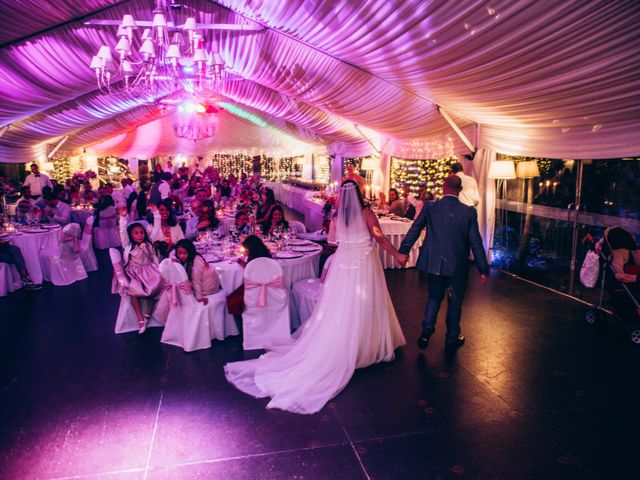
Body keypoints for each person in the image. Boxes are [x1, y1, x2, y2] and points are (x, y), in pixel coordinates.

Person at [225, 180, 406, 414]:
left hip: (344, 263)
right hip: (363, 263)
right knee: (365, 302)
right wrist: (397, 254)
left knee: (342, 305)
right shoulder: (366, 212)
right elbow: (378, 236)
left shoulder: (339, 217)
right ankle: (365, 344)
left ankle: (351, 342)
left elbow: (333, 242)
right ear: (359, 194)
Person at [398, 175, 489, 350]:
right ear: (460, 190)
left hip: (434, 263)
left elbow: (415, 228)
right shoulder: (469, 212)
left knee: (434, 296)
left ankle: (426, 331)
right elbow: (475, 241)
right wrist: (483, 268)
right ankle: (451, 338)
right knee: (454, 301)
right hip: (457, 265)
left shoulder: (431, 207)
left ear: (443, 187)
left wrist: (403, 251)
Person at [118, 207, 163, 333]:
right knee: (133, 290)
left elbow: (156, 228)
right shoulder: (128, 245)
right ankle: (140, 319)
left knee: (157, 284)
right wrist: (122, 218)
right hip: (134, 272)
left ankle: (148, 312)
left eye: (141, 233)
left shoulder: (149, 243)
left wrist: (156, 213)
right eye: (136, 233)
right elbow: (122, 232)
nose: (139, 235)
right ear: (131, 235)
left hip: (149, 269)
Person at [173, 239, 221, 303]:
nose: (182, 256)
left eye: (185, 253)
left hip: (208, 287)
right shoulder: (187, 259)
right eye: (180, 253)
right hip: (203, 282)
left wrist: (199, 297)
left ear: (190, 252)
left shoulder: (196, 261)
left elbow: (196, 280)